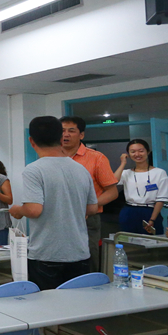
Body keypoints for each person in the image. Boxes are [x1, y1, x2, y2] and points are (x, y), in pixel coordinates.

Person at [10, 116, 98, 335]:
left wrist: (17, 209)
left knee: (47, 317)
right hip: (79, 253)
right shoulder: (79, 169)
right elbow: (92, 208)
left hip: (47, 253)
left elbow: (34, 209)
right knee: (75, 315)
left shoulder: (34, 170)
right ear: (61, 137)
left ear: (31, 141)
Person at [60, 116, 118, 273]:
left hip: (87, 218)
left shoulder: (96, 158)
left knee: (88, 260)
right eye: (62, 131)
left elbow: (112, 192)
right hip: (59, 218)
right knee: (60, 262)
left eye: (71, 131)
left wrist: (89, 207)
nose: (66, 134)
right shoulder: (52, 157)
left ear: (81, 135)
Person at [114, 138, 168, 235]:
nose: (137, 154)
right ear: (128, 154)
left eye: (141, 151)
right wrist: (123, 163)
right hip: (129, 211)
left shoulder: (159, 173)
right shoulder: (126, 173)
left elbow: (161, 199)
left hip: (150, 211)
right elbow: (112, 182)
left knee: (152, 241)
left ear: (148, 152)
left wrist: (152, 219)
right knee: (128, 241)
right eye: (133, 152)